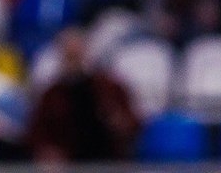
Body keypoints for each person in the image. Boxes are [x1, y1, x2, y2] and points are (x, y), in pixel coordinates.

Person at [25, 28, 142, 163]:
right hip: (68, 170)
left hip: (109, 164)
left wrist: (120, 124)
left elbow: (134, 125)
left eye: (77, 55)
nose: (74, 63)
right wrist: (47, 151)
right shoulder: (52, 96)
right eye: (69, 56)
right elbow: (36, 137)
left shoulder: (109, 89)